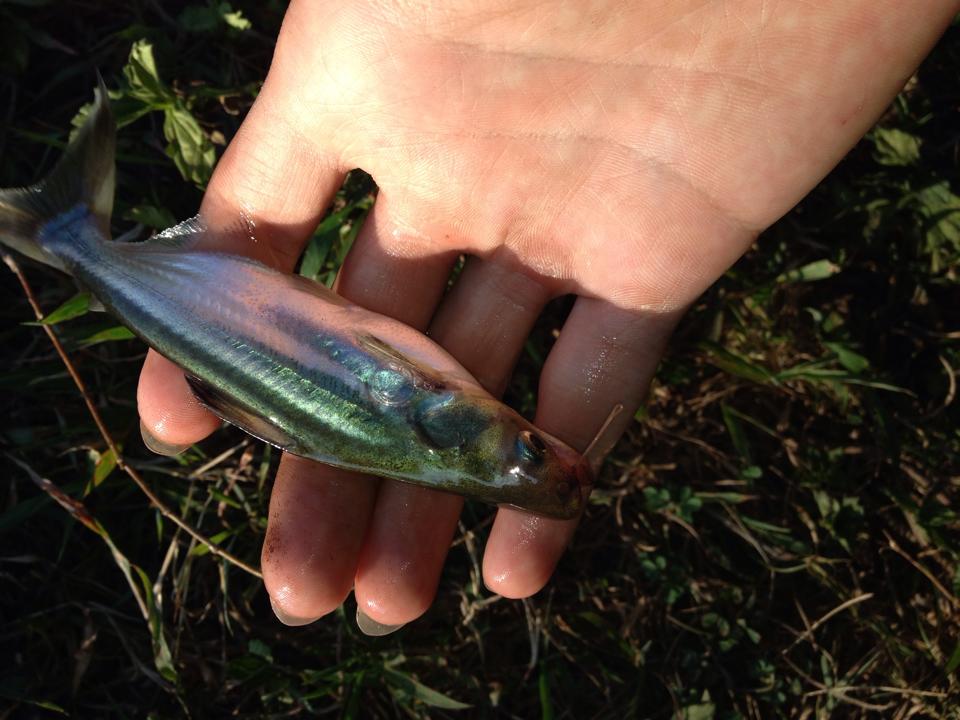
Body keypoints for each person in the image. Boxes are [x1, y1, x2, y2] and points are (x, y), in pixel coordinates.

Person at [135, 0, 959, 635]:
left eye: (525, 449)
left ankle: (66, 239)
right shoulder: (439, 407)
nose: (537, 442)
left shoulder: (434, 410)